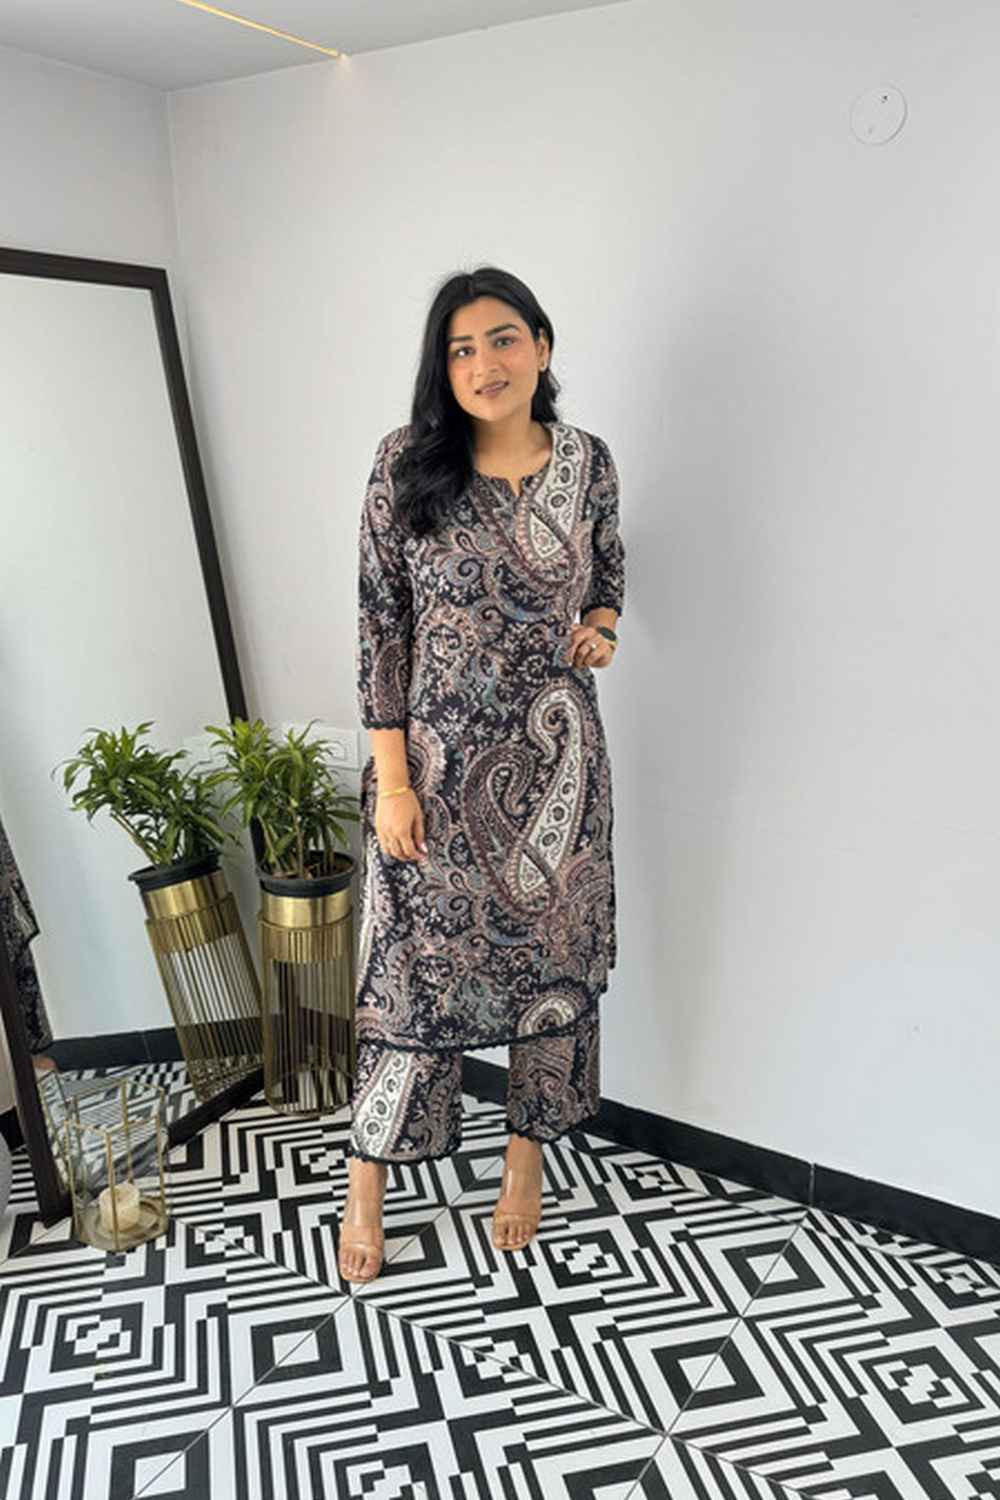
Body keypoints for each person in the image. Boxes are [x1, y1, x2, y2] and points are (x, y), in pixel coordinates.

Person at [340, 266, 625, 1283]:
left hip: (561, 771)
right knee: (405, 985)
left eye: (501, 339)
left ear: (541, 346)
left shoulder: (588, 463)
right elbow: (381, 629)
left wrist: (599, 630)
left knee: (550, 974)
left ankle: (522, 1166)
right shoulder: (404, 463)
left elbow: (608, 574)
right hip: (428, 774)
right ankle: (365, 1189)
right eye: (460, 349)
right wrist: (394, 782)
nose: (482, 364)